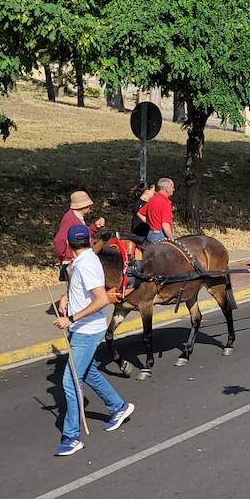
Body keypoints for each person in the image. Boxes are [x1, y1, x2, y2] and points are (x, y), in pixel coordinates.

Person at [53, 224, 134, 456]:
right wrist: (66, 296)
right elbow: (84, 290)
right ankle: (118, 407)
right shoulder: (84, 261)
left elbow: (101, 299)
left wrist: (70, 318)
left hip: (86, 330)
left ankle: (72, 437)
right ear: (89, 241)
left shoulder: (85, 265)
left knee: (70, 381)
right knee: (87, 372)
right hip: (84, 328)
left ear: (69, 245)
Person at [53, 190, 106, 280]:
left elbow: (83, 235)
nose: (90, 208)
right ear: (83, 206)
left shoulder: (76, 217)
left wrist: (95, 226)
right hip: (73, 261)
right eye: (88, 206)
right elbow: (59, 240)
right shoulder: (70, 218)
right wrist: (65, 256)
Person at [137, 178, 176, 243]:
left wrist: (150, 223)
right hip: (160, 236)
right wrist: (173, 240)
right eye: (172, 187)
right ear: (167, 188)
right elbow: (165, 225)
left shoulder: (152, 199)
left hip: (151, 234)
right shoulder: (165, 202)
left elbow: (139, 213)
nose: (173, 189)